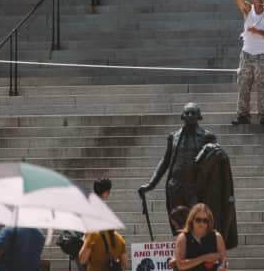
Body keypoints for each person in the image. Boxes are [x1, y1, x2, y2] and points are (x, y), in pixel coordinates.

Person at [138, 103, 238, 249]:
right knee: (179, 223)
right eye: (187, 113)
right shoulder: (173, 136)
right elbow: (165, 162)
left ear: (199, 116)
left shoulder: (207, 136)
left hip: (196, 187)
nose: (190, 116)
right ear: (182, 116)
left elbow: (214, 160)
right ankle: (183, 251)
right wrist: (151, 184)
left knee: (198, 222)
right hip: (175, 186)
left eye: (193, 113)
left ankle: (198, 252)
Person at [79, 178, 129, 271]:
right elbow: (125, 263)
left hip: (88, 246)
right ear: (106, 192)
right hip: (97, 246)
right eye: (109, 192)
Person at [173, 204, 228, 271]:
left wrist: (222, 267)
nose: (201, 223)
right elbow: (180, 265)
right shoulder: (183, 237)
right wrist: (204, 258)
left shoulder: (217, 236)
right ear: (192, 219)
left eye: (205, 221)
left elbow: (224, 260)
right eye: (198, 220)